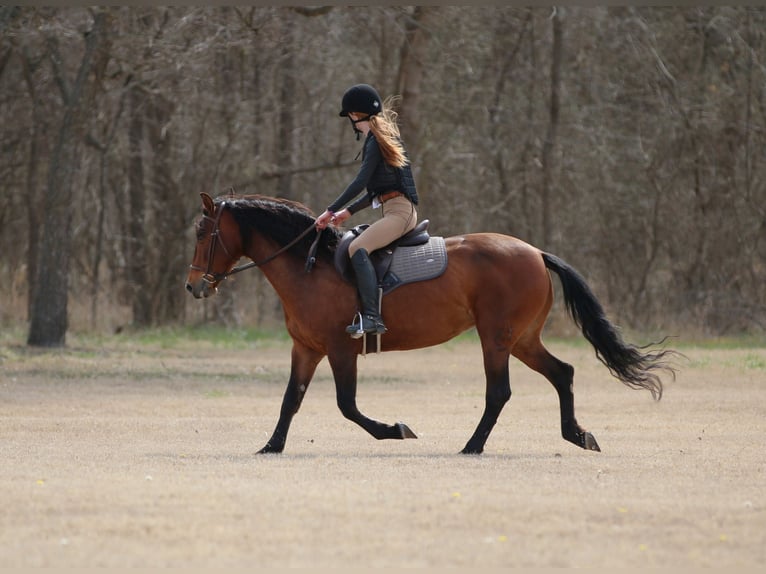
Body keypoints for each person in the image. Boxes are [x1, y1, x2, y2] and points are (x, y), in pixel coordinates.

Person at [315, 83, 419, 336]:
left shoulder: (376, 140)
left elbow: (360, 182)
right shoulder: (380, 138)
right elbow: (375, 190)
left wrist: (330, 210)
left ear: (354, 115)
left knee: (356, 248)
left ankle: (372, 317)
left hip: (399, 213)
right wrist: (347, 212)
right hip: (396, 210)